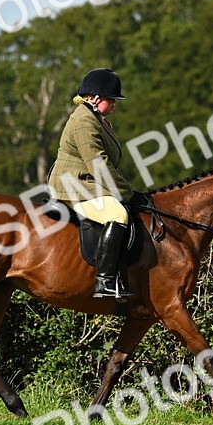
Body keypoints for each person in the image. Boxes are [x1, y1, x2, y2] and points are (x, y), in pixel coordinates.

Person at [47, 67, 136, 300]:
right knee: (118, 214)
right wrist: (126, 192)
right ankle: (104, 282)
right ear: (95, 98)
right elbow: (98, 163)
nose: (115, 103)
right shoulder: (84, 121)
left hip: (87, 182)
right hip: (73, 185)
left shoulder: (98, 119)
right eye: (111, 99)